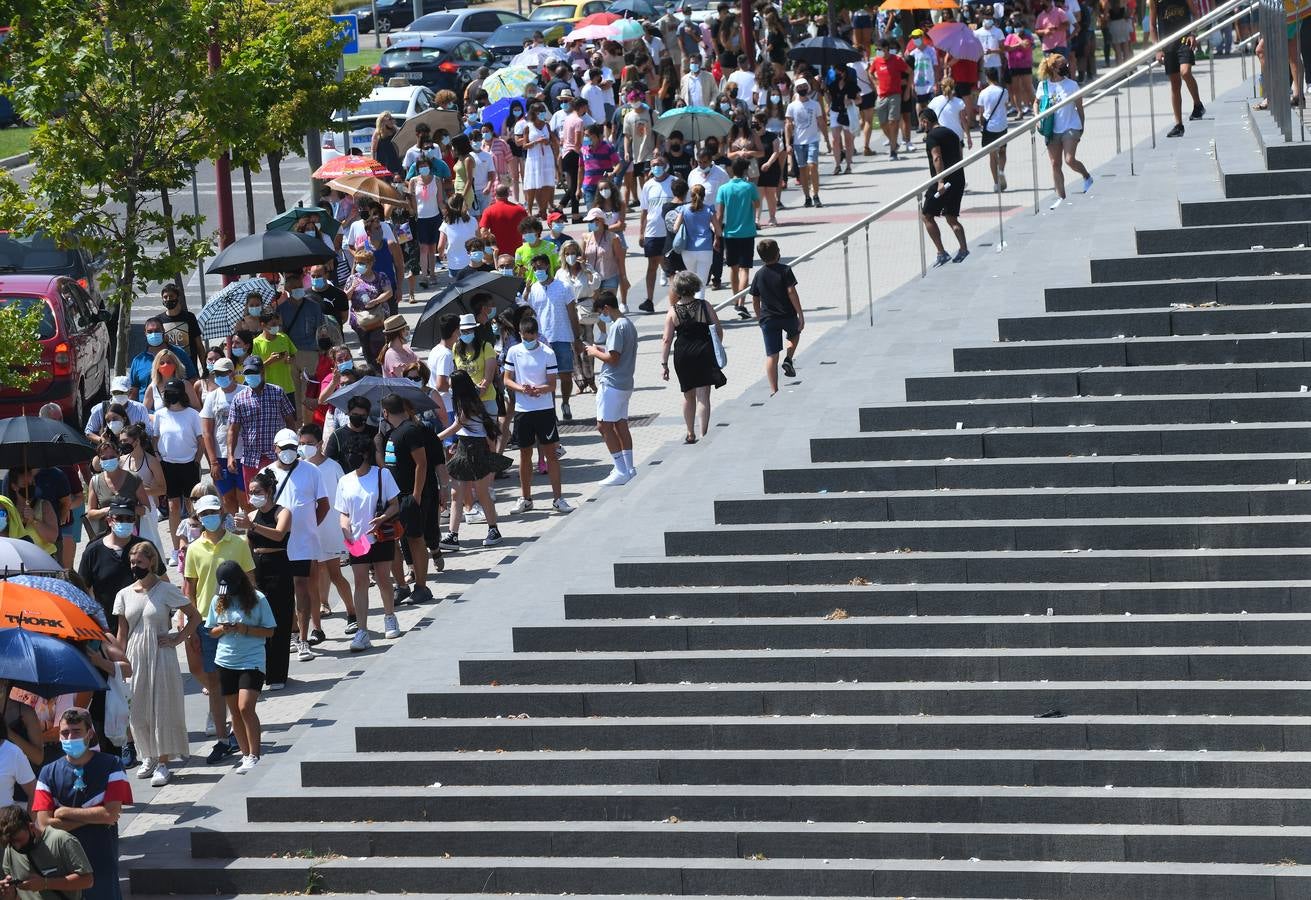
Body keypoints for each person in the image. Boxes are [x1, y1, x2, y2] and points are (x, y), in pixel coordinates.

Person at [112, 540, 195, 787]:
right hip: (135, 655)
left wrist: (178, 638)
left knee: (161, 707)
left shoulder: (165, 589)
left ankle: (162, 761)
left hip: (161, 654)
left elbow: (194, 616)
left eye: (139, 562)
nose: (135, 566)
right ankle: (145, 754)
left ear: (151, 562)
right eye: (132, 562)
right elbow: (121, 633)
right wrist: (120, 659)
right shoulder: (124, 594)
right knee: (136, 710)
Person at [182, 493, 255, 766]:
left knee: (235, 681)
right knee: (214, 684)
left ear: (222, 511)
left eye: (213, 511)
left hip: (236, 621)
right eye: (204, 514)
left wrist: (250, 616)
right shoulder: (193, 548)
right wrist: (188, 623)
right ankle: (223, 739)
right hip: (206, 622)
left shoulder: (239, 543)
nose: (210, 517)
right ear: (199, 518)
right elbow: (189, 588)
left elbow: (250, 581)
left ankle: (240, 734)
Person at [31, 708, 131, 900]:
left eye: (76, 731)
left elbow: (110, 814)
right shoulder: (47, 772)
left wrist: (64, 812)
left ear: (90, 734)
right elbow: (44, 824)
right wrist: (95, 817)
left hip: (101, 859)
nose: (69, 737)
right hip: (64, 864)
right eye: (65, 733)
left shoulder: (112, 764)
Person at [258, 428, 329, 662]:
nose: (288, 452)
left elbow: (323, 505)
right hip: (276, 543)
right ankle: (289, 633)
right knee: (281, 590)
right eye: (283, 448)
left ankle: (304, 639)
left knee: (302, 587)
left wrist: (309, 526)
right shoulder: (266, 473)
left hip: (303, 543)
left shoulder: (311, 470)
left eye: (292, 447)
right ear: (275, 448)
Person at [204, 560, 276, 774]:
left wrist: (246, 629)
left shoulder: (258, 599)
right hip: (225, 660)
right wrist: (223, 629)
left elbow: (270, 631)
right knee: (234, 710)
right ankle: (245, 755)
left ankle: (255, 753)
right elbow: (211, 631)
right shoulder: (219, 599)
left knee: (246, 707)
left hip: (251, 659)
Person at [334, 439, 402, 653]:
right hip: (357, 540)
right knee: (360, 582)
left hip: (380, 536)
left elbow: (395, 504)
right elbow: (343, 512)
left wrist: (382, 518)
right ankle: (362, 631)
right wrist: (345, 530)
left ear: (365, 454)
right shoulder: (345, 480)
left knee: (383, 578)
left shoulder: (382, 474)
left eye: (354, 451)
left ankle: (389, 616)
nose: (350, 456)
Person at [502, 316, 572, 515]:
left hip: (544, 410)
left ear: (536, 334)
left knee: (551, 455)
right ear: (521, 334)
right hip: (523, 411)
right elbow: (507, 380)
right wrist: (522, 389)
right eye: (525, 336)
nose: (528, 340)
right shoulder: (514, 352)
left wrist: (539, 389)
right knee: (525, 454)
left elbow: (552, 384)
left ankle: (558, 498)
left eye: (531, 336)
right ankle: (525, 498)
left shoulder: (548, 353)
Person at [436, 373, 509, 550]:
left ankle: (493, 530)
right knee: (456, 495)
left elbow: (457, 426)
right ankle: (453, 536)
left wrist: (435, 438)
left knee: (481, 492)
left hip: (476, 450)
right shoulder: (467, 401)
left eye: (453, 385)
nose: (451, 388)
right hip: (464, 448)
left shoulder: (468, 404)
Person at [379, 394, 439, 600]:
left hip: (409, 497)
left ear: (385, 412)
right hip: (393, 498)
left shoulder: (410, 430)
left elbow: (421, 464)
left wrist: (416, 495)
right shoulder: (391, 433)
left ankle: (421, 586)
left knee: (415, 539)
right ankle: (402, 586)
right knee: (391, 541)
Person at [297, 424, 355, 633]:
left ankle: (352, 613)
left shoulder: (332, 466)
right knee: (315, 573)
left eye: (309, 444)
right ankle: (320, 612)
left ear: (320, 444)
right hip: (308, 531)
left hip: (329, 528)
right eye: (301, 444)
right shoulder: (298, 467)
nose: (304, 448)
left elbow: (345, 495)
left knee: (335, 573)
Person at [661, 271, 725, 444]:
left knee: (688, 395)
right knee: (703, 395)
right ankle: (704, 433)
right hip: (703, 352)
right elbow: (718, 330)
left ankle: (690, 432)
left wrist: (664, 363)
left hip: (683, 355)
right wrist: (716, 346)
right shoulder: (705, 306)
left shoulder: (673, 311)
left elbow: (666, 340)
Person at [584, 291, 637, 486]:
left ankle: (621, 470)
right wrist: (600, 350)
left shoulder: (617, 326)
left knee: (604, 425)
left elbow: (613, 359)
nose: (602, 317)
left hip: (612, 383)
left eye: (601, 312)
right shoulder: (628, 324)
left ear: (606, 308)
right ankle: (628, 467)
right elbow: (617, 353)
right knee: (620, 423)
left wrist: (593, 352)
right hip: (624, 383)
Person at [524, 254, 582, 423]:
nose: (538, 271)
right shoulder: (533, 289)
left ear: (548, 267)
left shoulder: (563, 286)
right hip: (542, 340)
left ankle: (565, 402)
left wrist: (577, 337)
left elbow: (572, 313)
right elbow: (528, 314)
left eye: (540, 268)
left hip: (562, 336)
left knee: (565, 375)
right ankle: (552, 410)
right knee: (547, 379)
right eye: (534, 269)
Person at [153, 378, 203, 567]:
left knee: (192, 505)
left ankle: (195, 544)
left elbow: (200, 440)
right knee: (173, 507)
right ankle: (176, 549)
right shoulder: (160, 415)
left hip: (189, 464)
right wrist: (158, 455)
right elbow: (155, 437)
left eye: (174, 393)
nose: (170, 396)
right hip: (168, 465)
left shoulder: (192, 414)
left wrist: (197, 461)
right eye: (167, 393)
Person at [227, 355, 298, 487]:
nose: (250, 376)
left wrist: (293, 447)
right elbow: (233, 429)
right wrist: (230, 455)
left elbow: (290, 421)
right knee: (254, 499)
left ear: (262, 372)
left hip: (276, 457)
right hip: (250, 459)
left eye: (254, 372)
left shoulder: (277, 392)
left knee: (278, 497)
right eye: (247, 373)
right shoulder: (239, 398)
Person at [1037, 54, 1093, 209]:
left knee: (1069, 159)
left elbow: (1079, 107)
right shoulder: (1044, 86)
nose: (1066, 68)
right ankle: (1060, 196)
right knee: (1055, 163)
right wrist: (1037, 119)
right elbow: (1037, 103)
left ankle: (1086, 176)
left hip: (1071, 126)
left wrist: (1081, 126)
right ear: (1053, 68)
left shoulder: (1072, 85)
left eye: (1066, 64)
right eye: (1062, 65)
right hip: (1051, 128)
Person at [0, 806, 94, 900]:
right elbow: (18, 896)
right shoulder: (10, 851)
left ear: (30, 826)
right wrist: (9, 893)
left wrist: (45, 883)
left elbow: (87, 880)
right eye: (11, 842)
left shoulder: (61, 840)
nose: (17, 846)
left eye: (19, 840)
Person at [750, 238, 805, 395]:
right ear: (778, 253)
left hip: (768, 318)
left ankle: (774, 389)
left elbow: (755, 298)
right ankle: (788, 359)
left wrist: (759, 316)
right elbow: (791, 292)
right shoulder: (785, 270)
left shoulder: (759, 274)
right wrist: (800, 314)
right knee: (795, 334)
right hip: (787, 315)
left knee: (772, 356)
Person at [920, 107, 970, 268]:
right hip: (958, 178)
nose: (922, 126)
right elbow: (959, 154)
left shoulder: (932, 137)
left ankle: (941, 252)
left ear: (926, 121)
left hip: (943, 181)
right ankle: (963, 249)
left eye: (922, 122)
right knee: (951, 217)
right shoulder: (951, 133)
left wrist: (940, 181)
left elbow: (937, 158)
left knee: (926, 215)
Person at [273, 271, 326, 420]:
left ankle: (309, 424)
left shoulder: (314, 307)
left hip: (311, 353)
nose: (298, 289)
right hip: (291, 355)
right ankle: (297, 424)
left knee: (308, 392)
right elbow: (280, 332)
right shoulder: (281, 309)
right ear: (287, 291)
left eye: (299, 286)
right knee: (294, 392)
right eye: (294, 287)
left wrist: (322, 351)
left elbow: (321, 329)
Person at [1149, 0, 1203, 137]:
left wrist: (1192, 34)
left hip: (1184, 41)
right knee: (1175, 84)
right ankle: (1178, 125)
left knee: (1185, 72)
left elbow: (1196, 14)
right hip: (1168, 44)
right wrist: (1157, 48)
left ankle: (1197, 104)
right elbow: (1152, 25)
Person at [715, 158, 759, 315]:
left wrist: (717, 235)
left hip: (730, 233)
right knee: (745, 269)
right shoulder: (750, 187)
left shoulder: (723, 189)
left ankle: (735, 299)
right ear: (745, 171)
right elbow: (758, 204)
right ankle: (741, 302)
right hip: (747, 233)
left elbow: (719, 215)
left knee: (733, 268)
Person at [636, 153, 674, 313]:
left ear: (665, 165)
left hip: (670, 232)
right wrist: (641, 232)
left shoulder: (674, 182)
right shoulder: (648, 185)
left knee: (671, 267)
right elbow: (644, 211)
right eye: (653, 165)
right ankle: (649, 300)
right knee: (652, 266)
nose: (656, 167)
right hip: (652, 231)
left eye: (659, 164)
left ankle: (675, 302)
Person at [130, 317, 196, 403]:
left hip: (176, 408)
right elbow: (133, 392)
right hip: (148, 412)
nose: (153, 334)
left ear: (163, 331)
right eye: (150, 332)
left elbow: (193, 380)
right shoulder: (138, 361)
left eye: (157, 331)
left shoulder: (179, 354)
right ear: (145, 334)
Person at [672, 184, 716, 300]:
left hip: (688, 249)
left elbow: (675, 228)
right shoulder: (709, 209)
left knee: (692, 281)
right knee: (701, 283)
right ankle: (700, 310)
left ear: (690, 195)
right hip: (705, 249)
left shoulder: (684, 209)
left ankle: (692, 308)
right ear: (704, 195)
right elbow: (719, 231)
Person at [785, 80, 825, 207]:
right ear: (796, 89)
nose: (802, 89)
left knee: (812, 166)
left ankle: (816, 195)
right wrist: (787, 143)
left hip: (812, 140)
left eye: (804, 87)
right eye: (799, 87)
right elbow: (788, 124)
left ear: (808, 88)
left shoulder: (815, 105)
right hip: (798, 142)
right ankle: (807, 196)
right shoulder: (792, 106)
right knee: (802, 169)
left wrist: (827, 140)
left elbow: (821, 121)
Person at [580, 209, 627, 313]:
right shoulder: (586, 237)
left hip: (609, 277)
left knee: (608, 308)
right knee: (596, 309)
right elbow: (582, 258)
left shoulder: (613, 237)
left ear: (601, 220)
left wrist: (623, 277)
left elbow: (620, 259)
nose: (590, 223)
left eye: (593, 220)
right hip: (592, 278)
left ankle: (615, 327)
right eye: (589, 221)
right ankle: (603, 330)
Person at [872, 39, 910, 161]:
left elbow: (910, 72)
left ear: (887, 49)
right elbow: (870, 73)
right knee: (883, 123)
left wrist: (908, 90)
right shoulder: (876, 61)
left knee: (893, 122)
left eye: (880, 49)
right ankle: (893, 142)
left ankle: (893, 151)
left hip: (895, 95)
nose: (878, 52)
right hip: (881, 96)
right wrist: (876, 85)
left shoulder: (897, 60)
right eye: (877, 49)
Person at [158, 283, 206, 374]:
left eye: (171, 296)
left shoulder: (189, 317)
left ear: (177, 297)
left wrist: (205, 368)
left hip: (189, 369)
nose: (168, 299)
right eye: (165, 297)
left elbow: (199, 345)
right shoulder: (159, 320)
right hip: (168, 370)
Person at [83, 376, 150, 441]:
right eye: (115, 392)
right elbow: (89, 432)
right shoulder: (100, 409)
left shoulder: (140, 409)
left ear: (130, 392)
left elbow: (148, 431)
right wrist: (102, 440)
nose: (118, 395)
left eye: (122, 392)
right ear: (111, 392)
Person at [978, 67, 1010, 192]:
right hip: (1002, 125)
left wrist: (981, 123)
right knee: (1002, 151)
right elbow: (1006, 106)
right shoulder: (1004, 91)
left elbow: (981, 113)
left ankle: (996, 183)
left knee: (992, 156)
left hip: (989, 127)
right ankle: (1001, 170)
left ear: (987, 78)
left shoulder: (983, 93)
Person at [479, 184, 528, 257]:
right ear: (508, 194)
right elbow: (528, 227)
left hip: (498, 252)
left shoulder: (489, 210)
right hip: (517, 251)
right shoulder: (520, 209)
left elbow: (483, 231)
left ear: (495, 194)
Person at [437, 196, 478, 281]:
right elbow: (479, 239)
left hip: (455, 264)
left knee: (457, 290)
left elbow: (440, 246)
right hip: (473, 262)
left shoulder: (446, 224)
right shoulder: (473, 220)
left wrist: (441, 255)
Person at [928, 77, 971, 150]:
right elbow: (964, 121)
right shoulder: (959, 102)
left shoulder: (934, 101)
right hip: (957, 135)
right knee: (959, 161)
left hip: (940, 135)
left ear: (942, 87)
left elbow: (929, 118)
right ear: (953, 87)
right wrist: (969, 138)